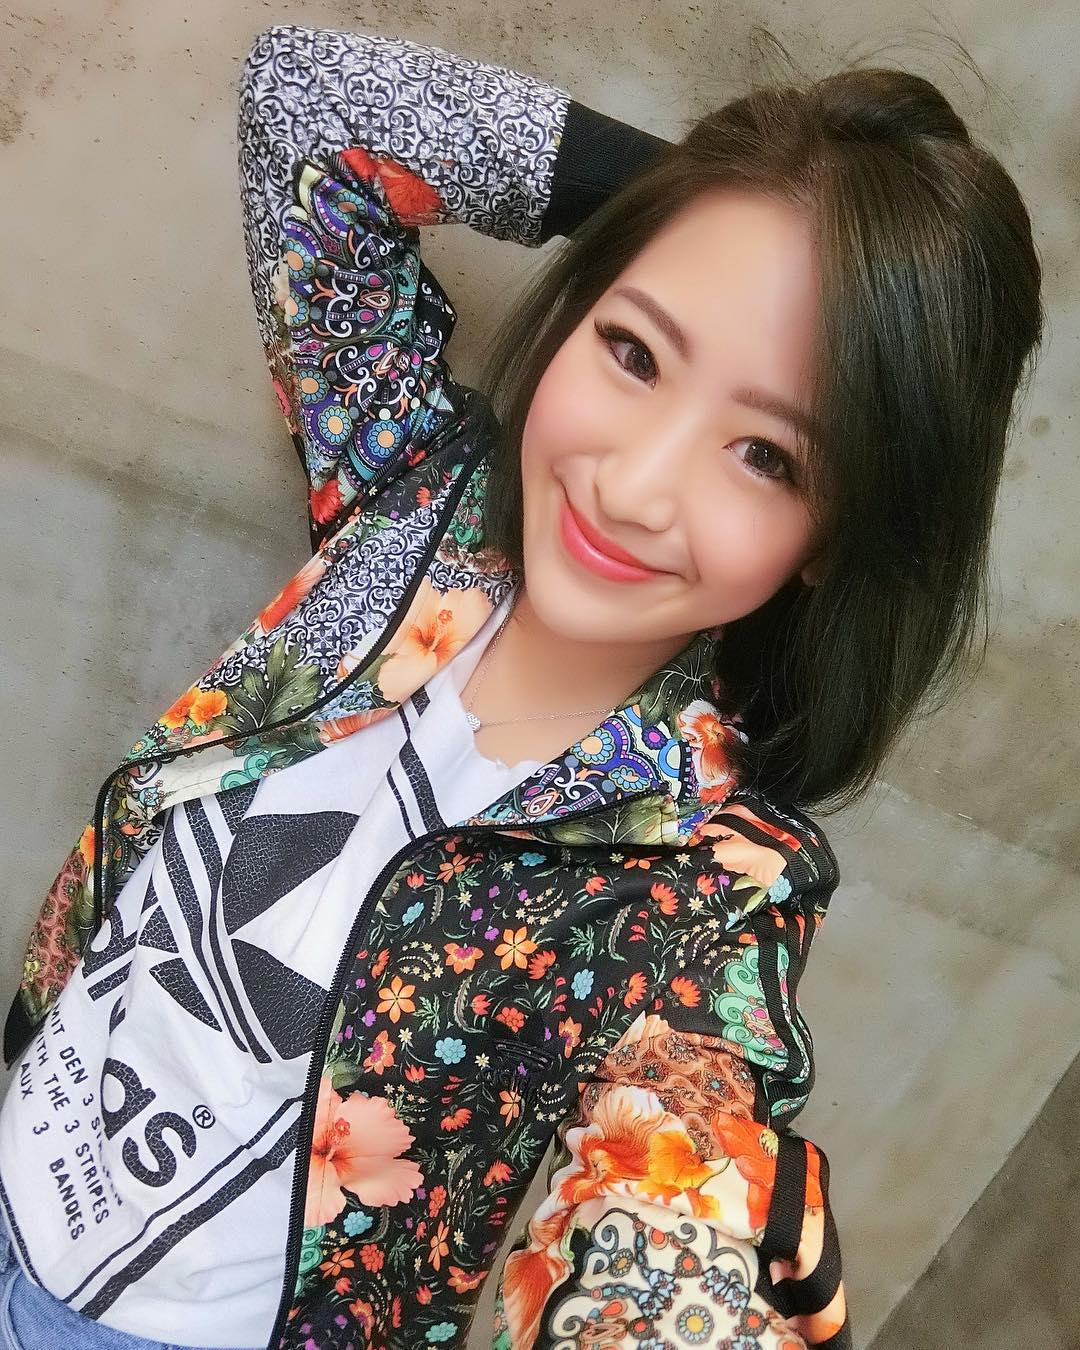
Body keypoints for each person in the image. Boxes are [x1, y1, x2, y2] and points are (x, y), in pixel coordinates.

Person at [0, 19, 1041, 1350]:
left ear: (837, 534)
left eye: (767, 456)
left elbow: (678, 1181)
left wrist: (684, 1286)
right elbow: (309, 103)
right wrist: (727, 212)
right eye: (636, 352)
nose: (637, 484)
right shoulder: (410, 502)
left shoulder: (712, 884)